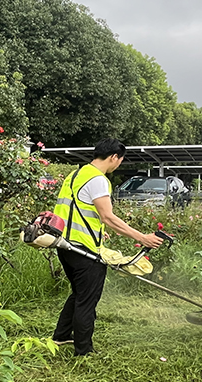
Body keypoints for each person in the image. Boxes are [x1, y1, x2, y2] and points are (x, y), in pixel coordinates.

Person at [51, 138, 163, 356]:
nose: (118, 165)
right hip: (84, 249)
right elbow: (108, 217)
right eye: (119, 160)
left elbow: (79, 209)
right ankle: (84, 351)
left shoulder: (76, 174)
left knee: (78, 294)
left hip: (64, 244)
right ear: (114, 157)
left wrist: (98, 231)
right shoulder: (98, 179)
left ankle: (61, 336)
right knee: (87, 300)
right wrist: (143, 237)